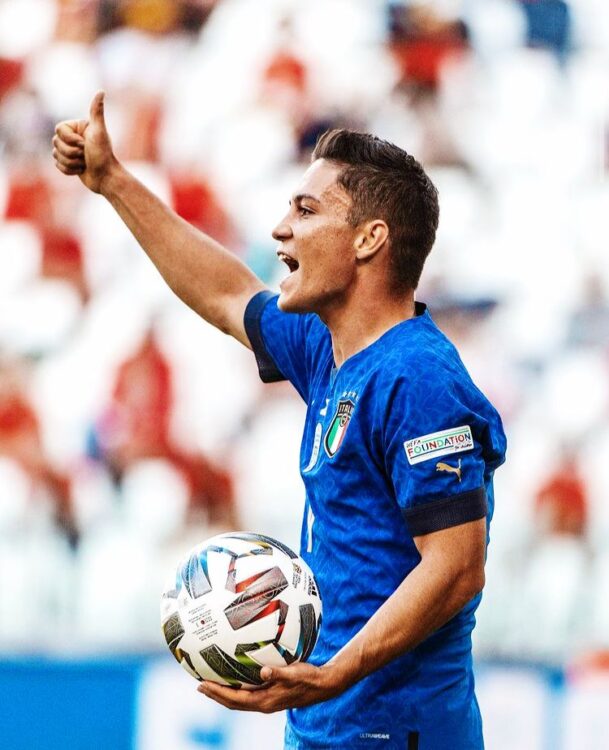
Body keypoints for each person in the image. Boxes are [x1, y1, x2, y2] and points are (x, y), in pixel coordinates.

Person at [52, 92, 506, 750]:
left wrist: (334, 674)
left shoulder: (418, 380)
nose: (280, 229)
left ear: (369, 239)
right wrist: (113, 182)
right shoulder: (329, 346)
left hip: (396, 732)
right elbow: (226, 292)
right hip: (325, 725)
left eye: (306, 210)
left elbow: (456, 568)